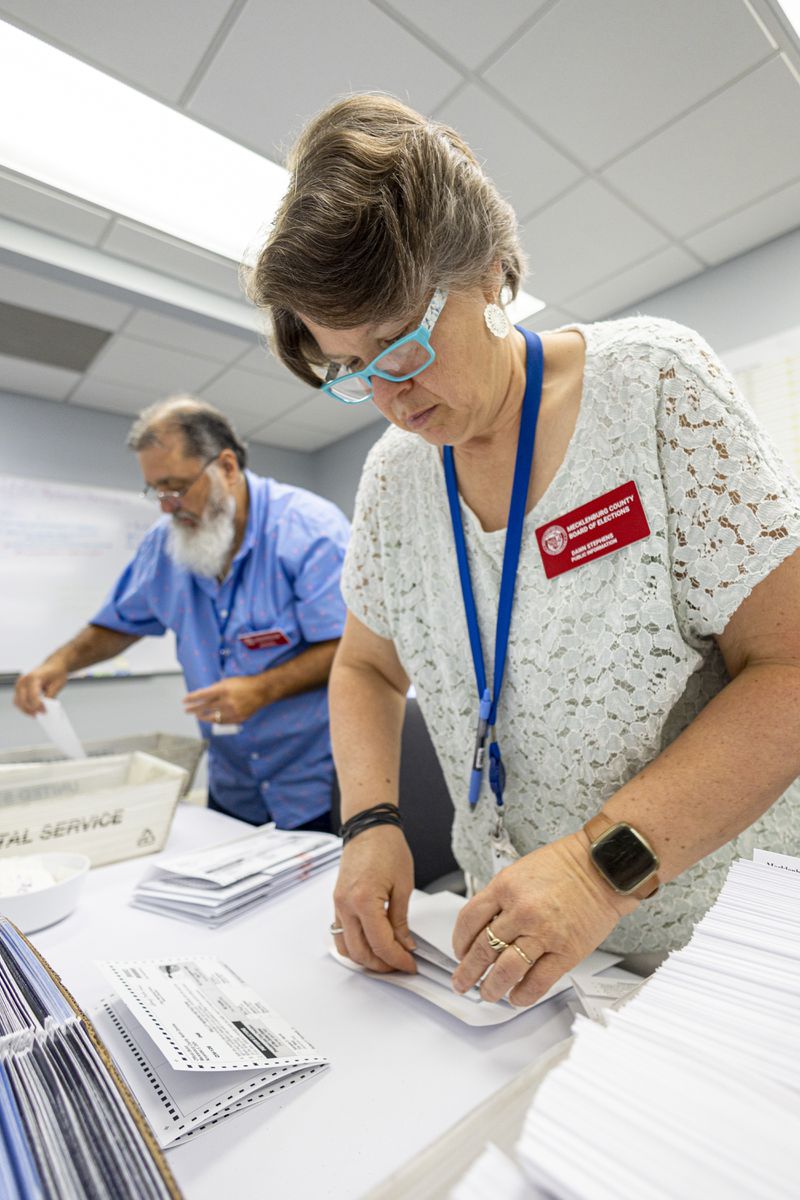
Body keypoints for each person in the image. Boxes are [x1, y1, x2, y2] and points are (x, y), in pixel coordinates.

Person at [246, 93, 800, 1002]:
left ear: (494, 276)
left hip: (713, 951)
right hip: (517, 947)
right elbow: (366, 670)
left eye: (402, 346)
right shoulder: (395, 477)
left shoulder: (652, 388)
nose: (389, 396)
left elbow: (789, 666)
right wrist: (371, 820)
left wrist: (595, 871)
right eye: (349, 370)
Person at [14, 397, 350, 831]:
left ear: (226, 467)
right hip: (234, 784)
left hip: (317, 781)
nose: (166, 506)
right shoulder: (165, 544)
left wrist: (262, 689)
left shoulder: (312, 532)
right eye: (156, 490)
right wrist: (59, 663)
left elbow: (350, 647)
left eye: (175, 487)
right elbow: (119, 623)